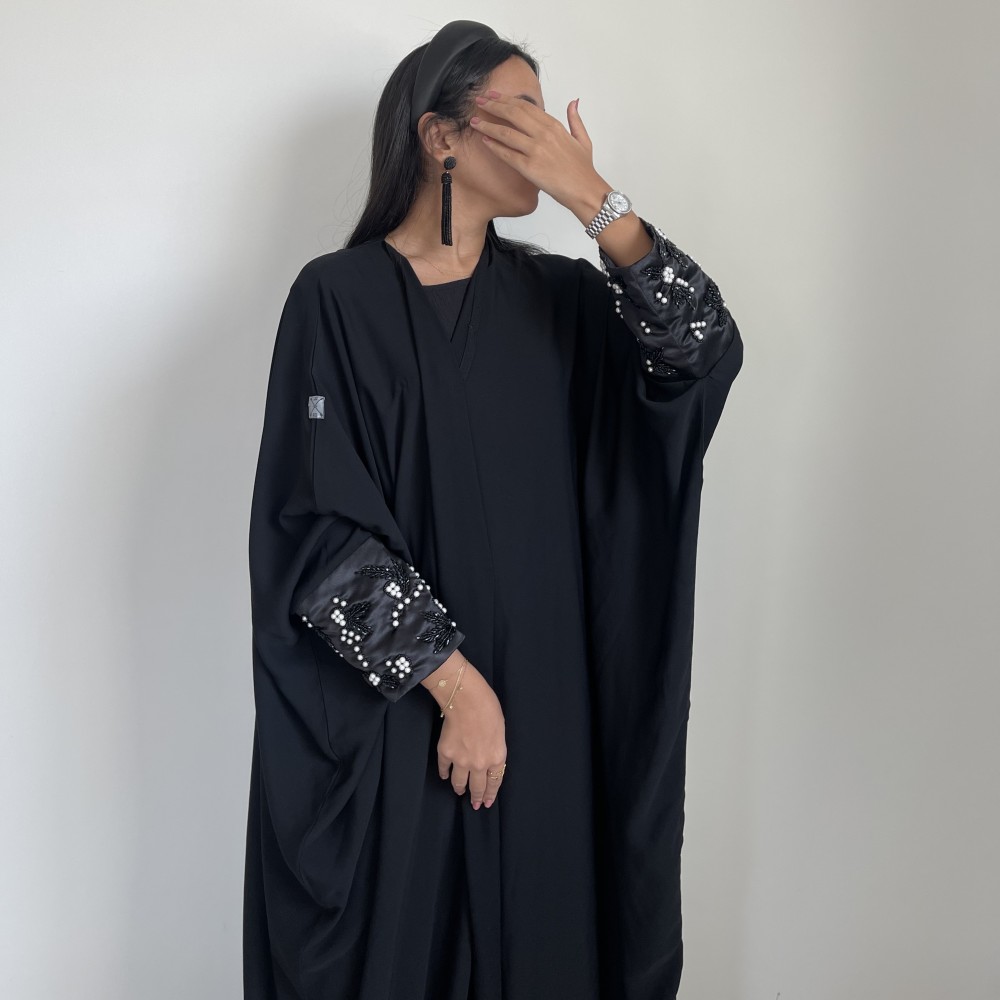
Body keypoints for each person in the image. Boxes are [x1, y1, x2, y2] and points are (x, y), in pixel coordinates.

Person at [244, 19, 744, 1000]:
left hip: (550, 716)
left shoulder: (563, 301)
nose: (548, 133)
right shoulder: (337, 300)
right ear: (440, 136)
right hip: (401, 716)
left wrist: (596, 202)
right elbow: (314, 522)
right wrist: (458, 690)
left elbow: (699, 352)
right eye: (520, 112)